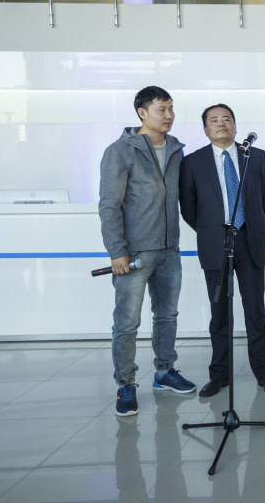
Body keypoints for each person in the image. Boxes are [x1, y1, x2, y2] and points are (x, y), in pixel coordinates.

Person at [99, 85, 195, 417]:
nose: (169, 115)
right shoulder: (120, 151)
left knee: (167, 316)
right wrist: (117, 252)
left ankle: (165, 371)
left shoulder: (176, 150)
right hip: (134, 253)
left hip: (170, 249)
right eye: (161, 109)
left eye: (171, 109)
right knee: (127, 322)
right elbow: (109, 205)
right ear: (142, 113)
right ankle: (125, 383)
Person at [179, 104, 265, 397]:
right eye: (214, 120)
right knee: (219, 313)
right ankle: (219, 375)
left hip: (250, 238)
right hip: (215, 242)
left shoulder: (256, 157)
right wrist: (213, 229)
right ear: (205, 129)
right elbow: (189, 208)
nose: (221, 123)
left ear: (235, 126)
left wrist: (248, 225)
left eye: (227, 119)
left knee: (255, 311)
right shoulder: (193, 162)